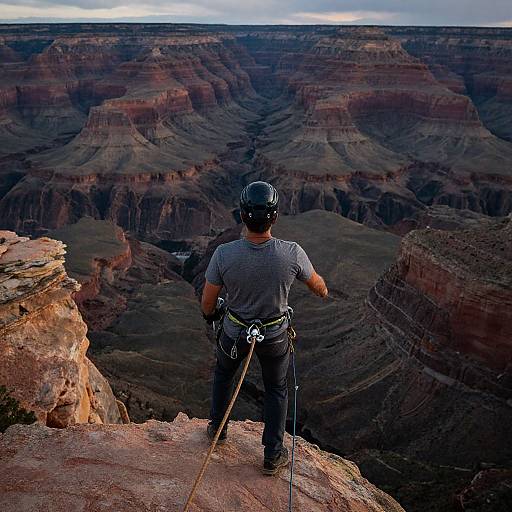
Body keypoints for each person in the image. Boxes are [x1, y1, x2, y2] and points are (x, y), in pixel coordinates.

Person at [201, 181, 328, 475]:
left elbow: (207, 303)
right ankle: (272, 455)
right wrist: (323, 291)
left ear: (242, 216)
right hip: (274, 335)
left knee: (224, 374)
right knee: (276, 389)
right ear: (275, 216)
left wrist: (211, 314)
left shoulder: (224, 254)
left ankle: (217, 430)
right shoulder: (292, 253)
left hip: (234, 332)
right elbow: (318, 286)